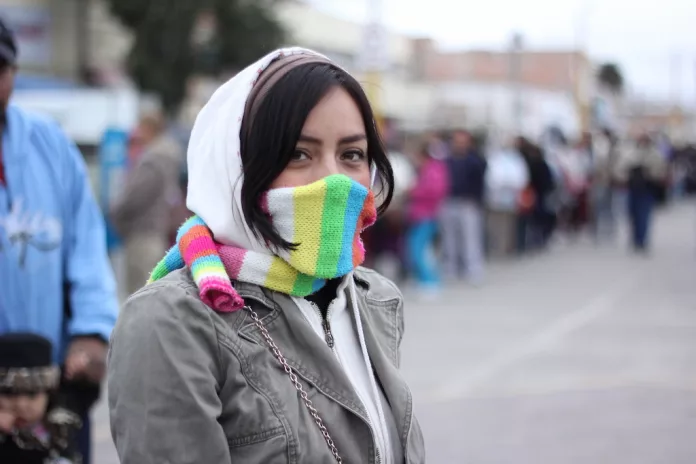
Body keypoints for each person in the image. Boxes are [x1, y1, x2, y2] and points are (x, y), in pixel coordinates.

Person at [108, 48, 425, 464]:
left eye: (351, 155)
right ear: (238, 166)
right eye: (298, 154)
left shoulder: (373, 298)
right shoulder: (172, 321)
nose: (332, 179)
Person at [0, 17, 118, 464]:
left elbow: (88, 250)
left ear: (12, 73)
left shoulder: (50, 145)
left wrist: (90, 335)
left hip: (53, 394)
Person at [110, 112, 185, 295]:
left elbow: (134, 196)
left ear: (149, 129)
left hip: (142, 233)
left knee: (138, 294)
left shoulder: (153, 161)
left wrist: (115, 213)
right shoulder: (168, 158)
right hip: (156, 231)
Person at [0, 333, 87, 464]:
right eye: (9, 394)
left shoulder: (62, 420)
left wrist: (78, 366)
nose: (21, 405)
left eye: (32, 395)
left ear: (49, 394)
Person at [440, 129, 487, 283]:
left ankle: (473, 269)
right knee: (449, 239)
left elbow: (480, 184)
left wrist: (477, 202)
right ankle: (451, 268)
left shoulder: (475, 161)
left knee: (470, 238)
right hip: (449, 201)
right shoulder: (447, 161)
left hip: (468, 203)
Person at [406, 142, 449, 292]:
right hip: (420, 215)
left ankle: (430, 281)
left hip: (426, 215)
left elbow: (434, 191)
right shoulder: (427, 170)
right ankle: (423, 279)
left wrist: (414, 191)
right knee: (419, 249)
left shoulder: (433, 170)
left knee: (418, 249)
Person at [614, 133, 667, 252]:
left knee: (644, 216)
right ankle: (635, 239)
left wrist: (649, 172)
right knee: (632, 215)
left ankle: (642, 240)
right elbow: (620, 169)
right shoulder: (631, 153)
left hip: (647, 189)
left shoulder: (654, 154)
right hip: (633, 189)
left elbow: (660, 170)